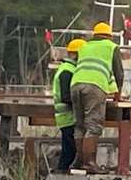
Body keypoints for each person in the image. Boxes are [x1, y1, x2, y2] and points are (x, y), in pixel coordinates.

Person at [70, 22, 125, 165]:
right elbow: (118, 73)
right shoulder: (111, 47)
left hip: (75, 84)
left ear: (94, 35)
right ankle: (89, 163)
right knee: (94, 126)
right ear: (109, 36)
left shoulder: (84, 46)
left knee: (80, 125)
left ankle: (78, 162)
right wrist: (117, 93)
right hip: (95, 86)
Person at [53, 39, 85, 172]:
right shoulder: (67, 71)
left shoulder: (69, 69)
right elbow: (66, 96)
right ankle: (61, 172)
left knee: (70, 148)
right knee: (70, 149)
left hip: (68, 116)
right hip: (67, 116)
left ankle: (62, 171)